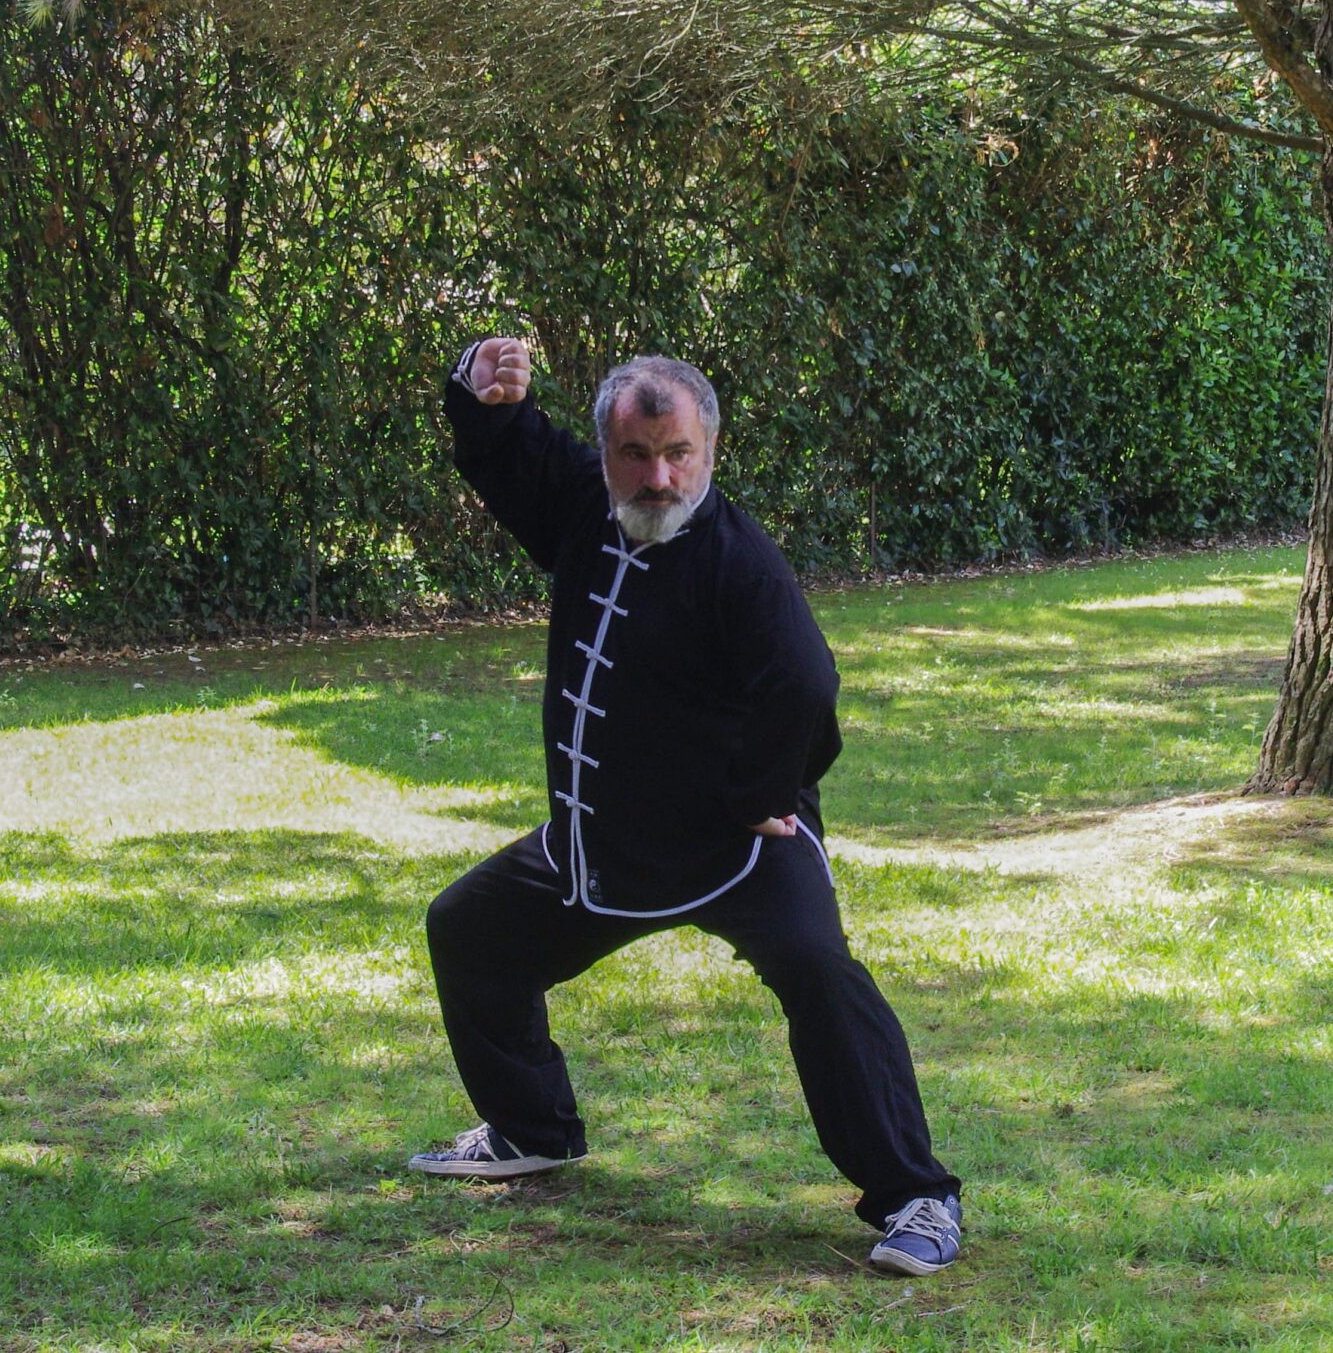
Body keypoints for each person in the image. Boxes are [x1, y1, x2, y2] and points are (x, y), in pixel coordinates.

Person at [411, 337, 964, 1277]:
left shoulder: (741, 564)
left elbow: (806, 683)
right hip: (600, 846)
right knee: (468, 930)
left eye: (679, 457)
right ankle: (531, 1126)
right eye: (636, 456)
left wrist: (760, 796)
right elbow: (508, 452)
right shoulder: (585, 504)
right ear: (608, 453)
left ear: (709, 450)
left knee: (819, 973)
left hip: (734, 848)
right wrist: (479, 391)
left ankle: (918, 1197)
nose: (658, 478)